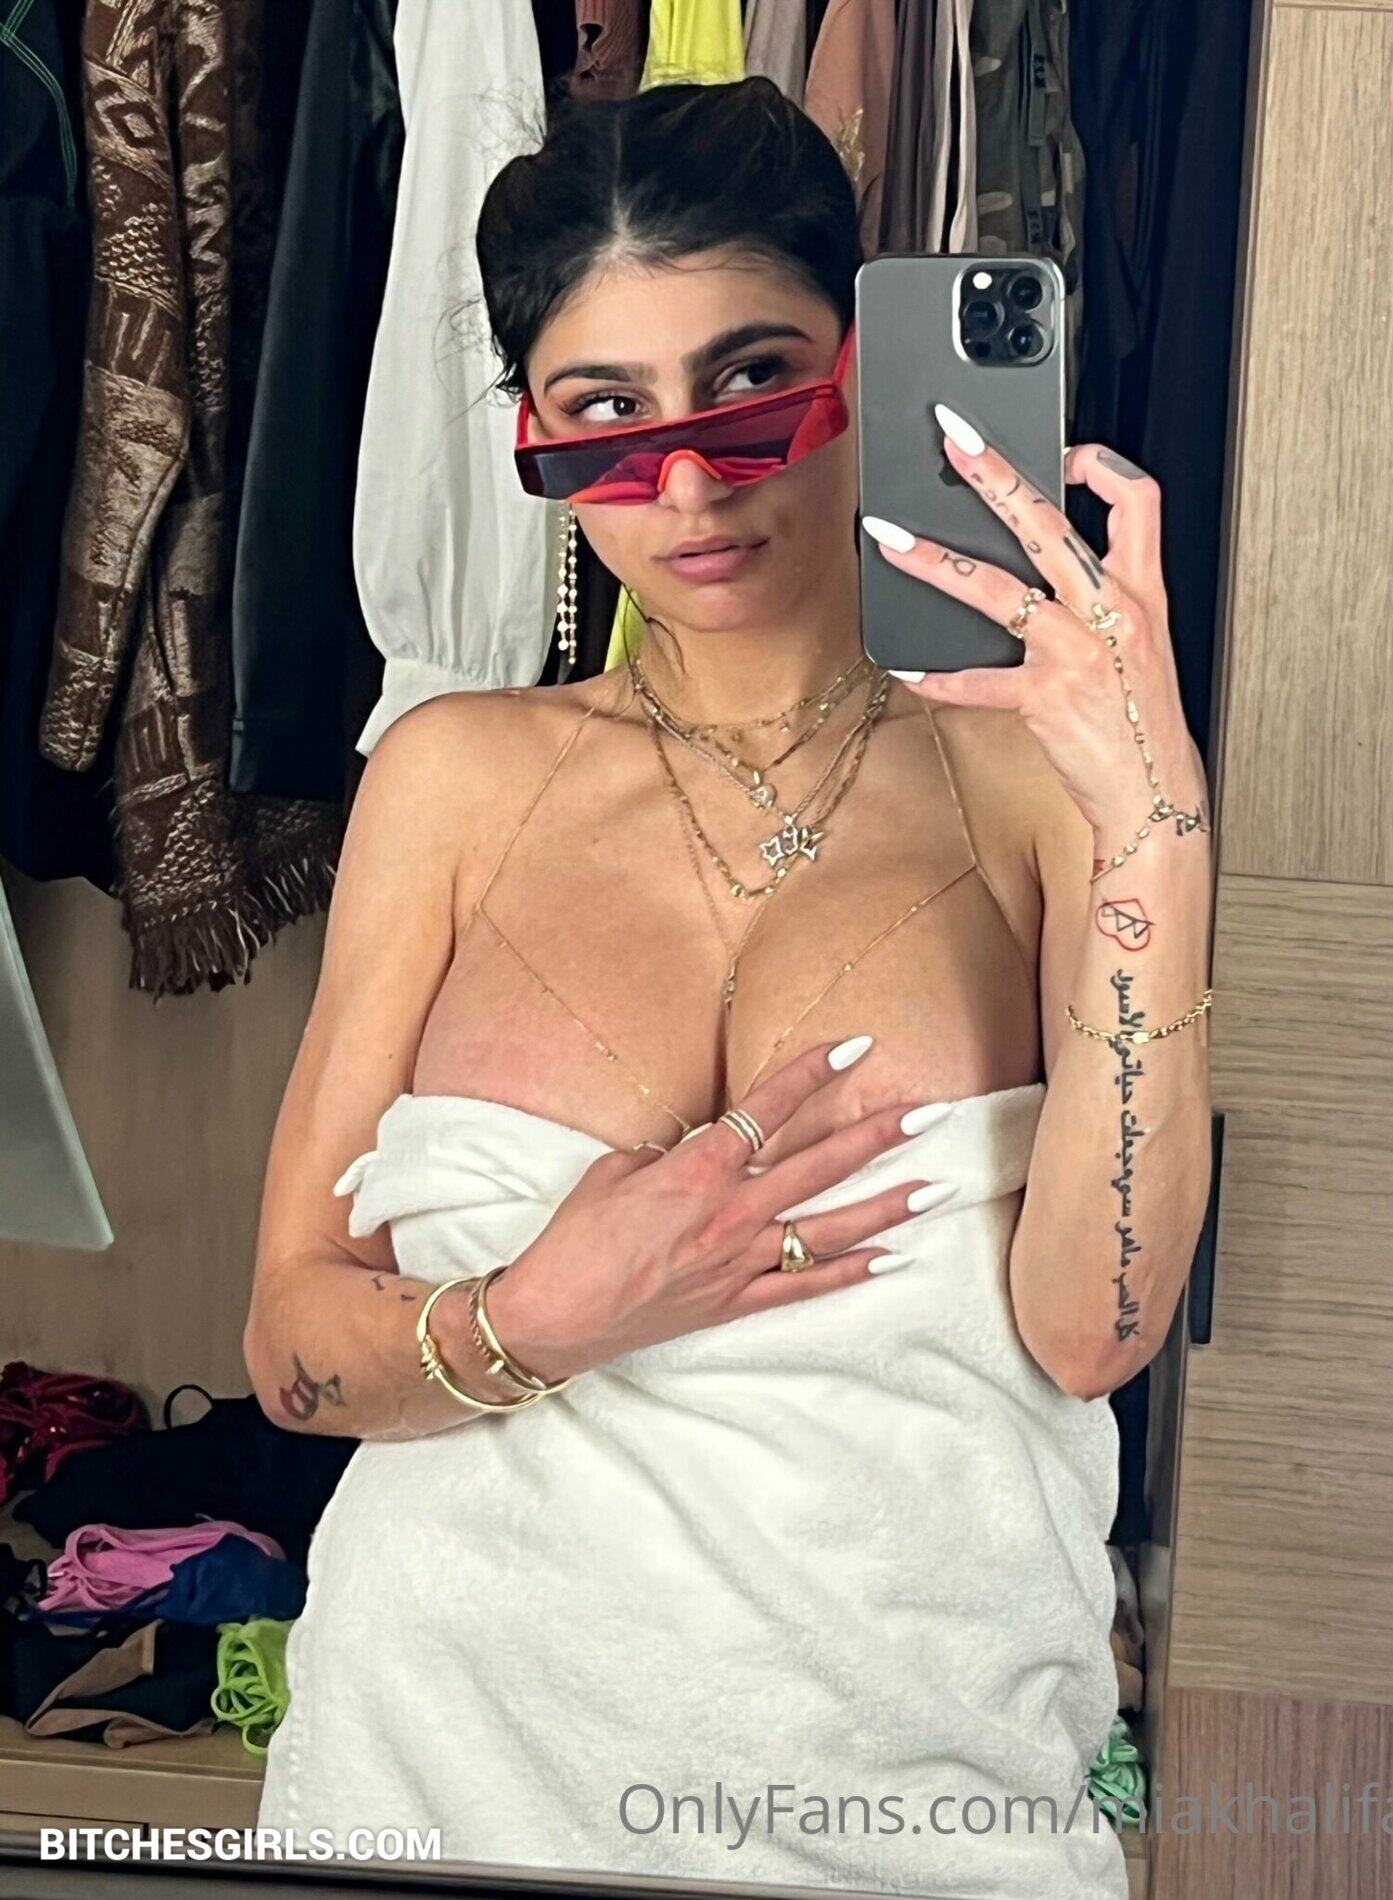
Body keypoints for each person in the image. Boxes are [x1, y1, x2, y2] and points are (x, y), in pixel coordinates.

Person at [247, 77, 1213, 1900]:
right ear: (534, 434)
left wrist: (1155, 824)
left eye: (751, 385)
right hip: (429, 1786)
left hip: (913, 1824)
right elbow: (294, 1355)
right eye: (606, 418)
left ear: (870, 367)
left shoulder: (1046, 787)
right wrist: (540, 1315)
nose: (687, 488)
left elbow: (1098, 1329)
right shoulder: (450, 781)